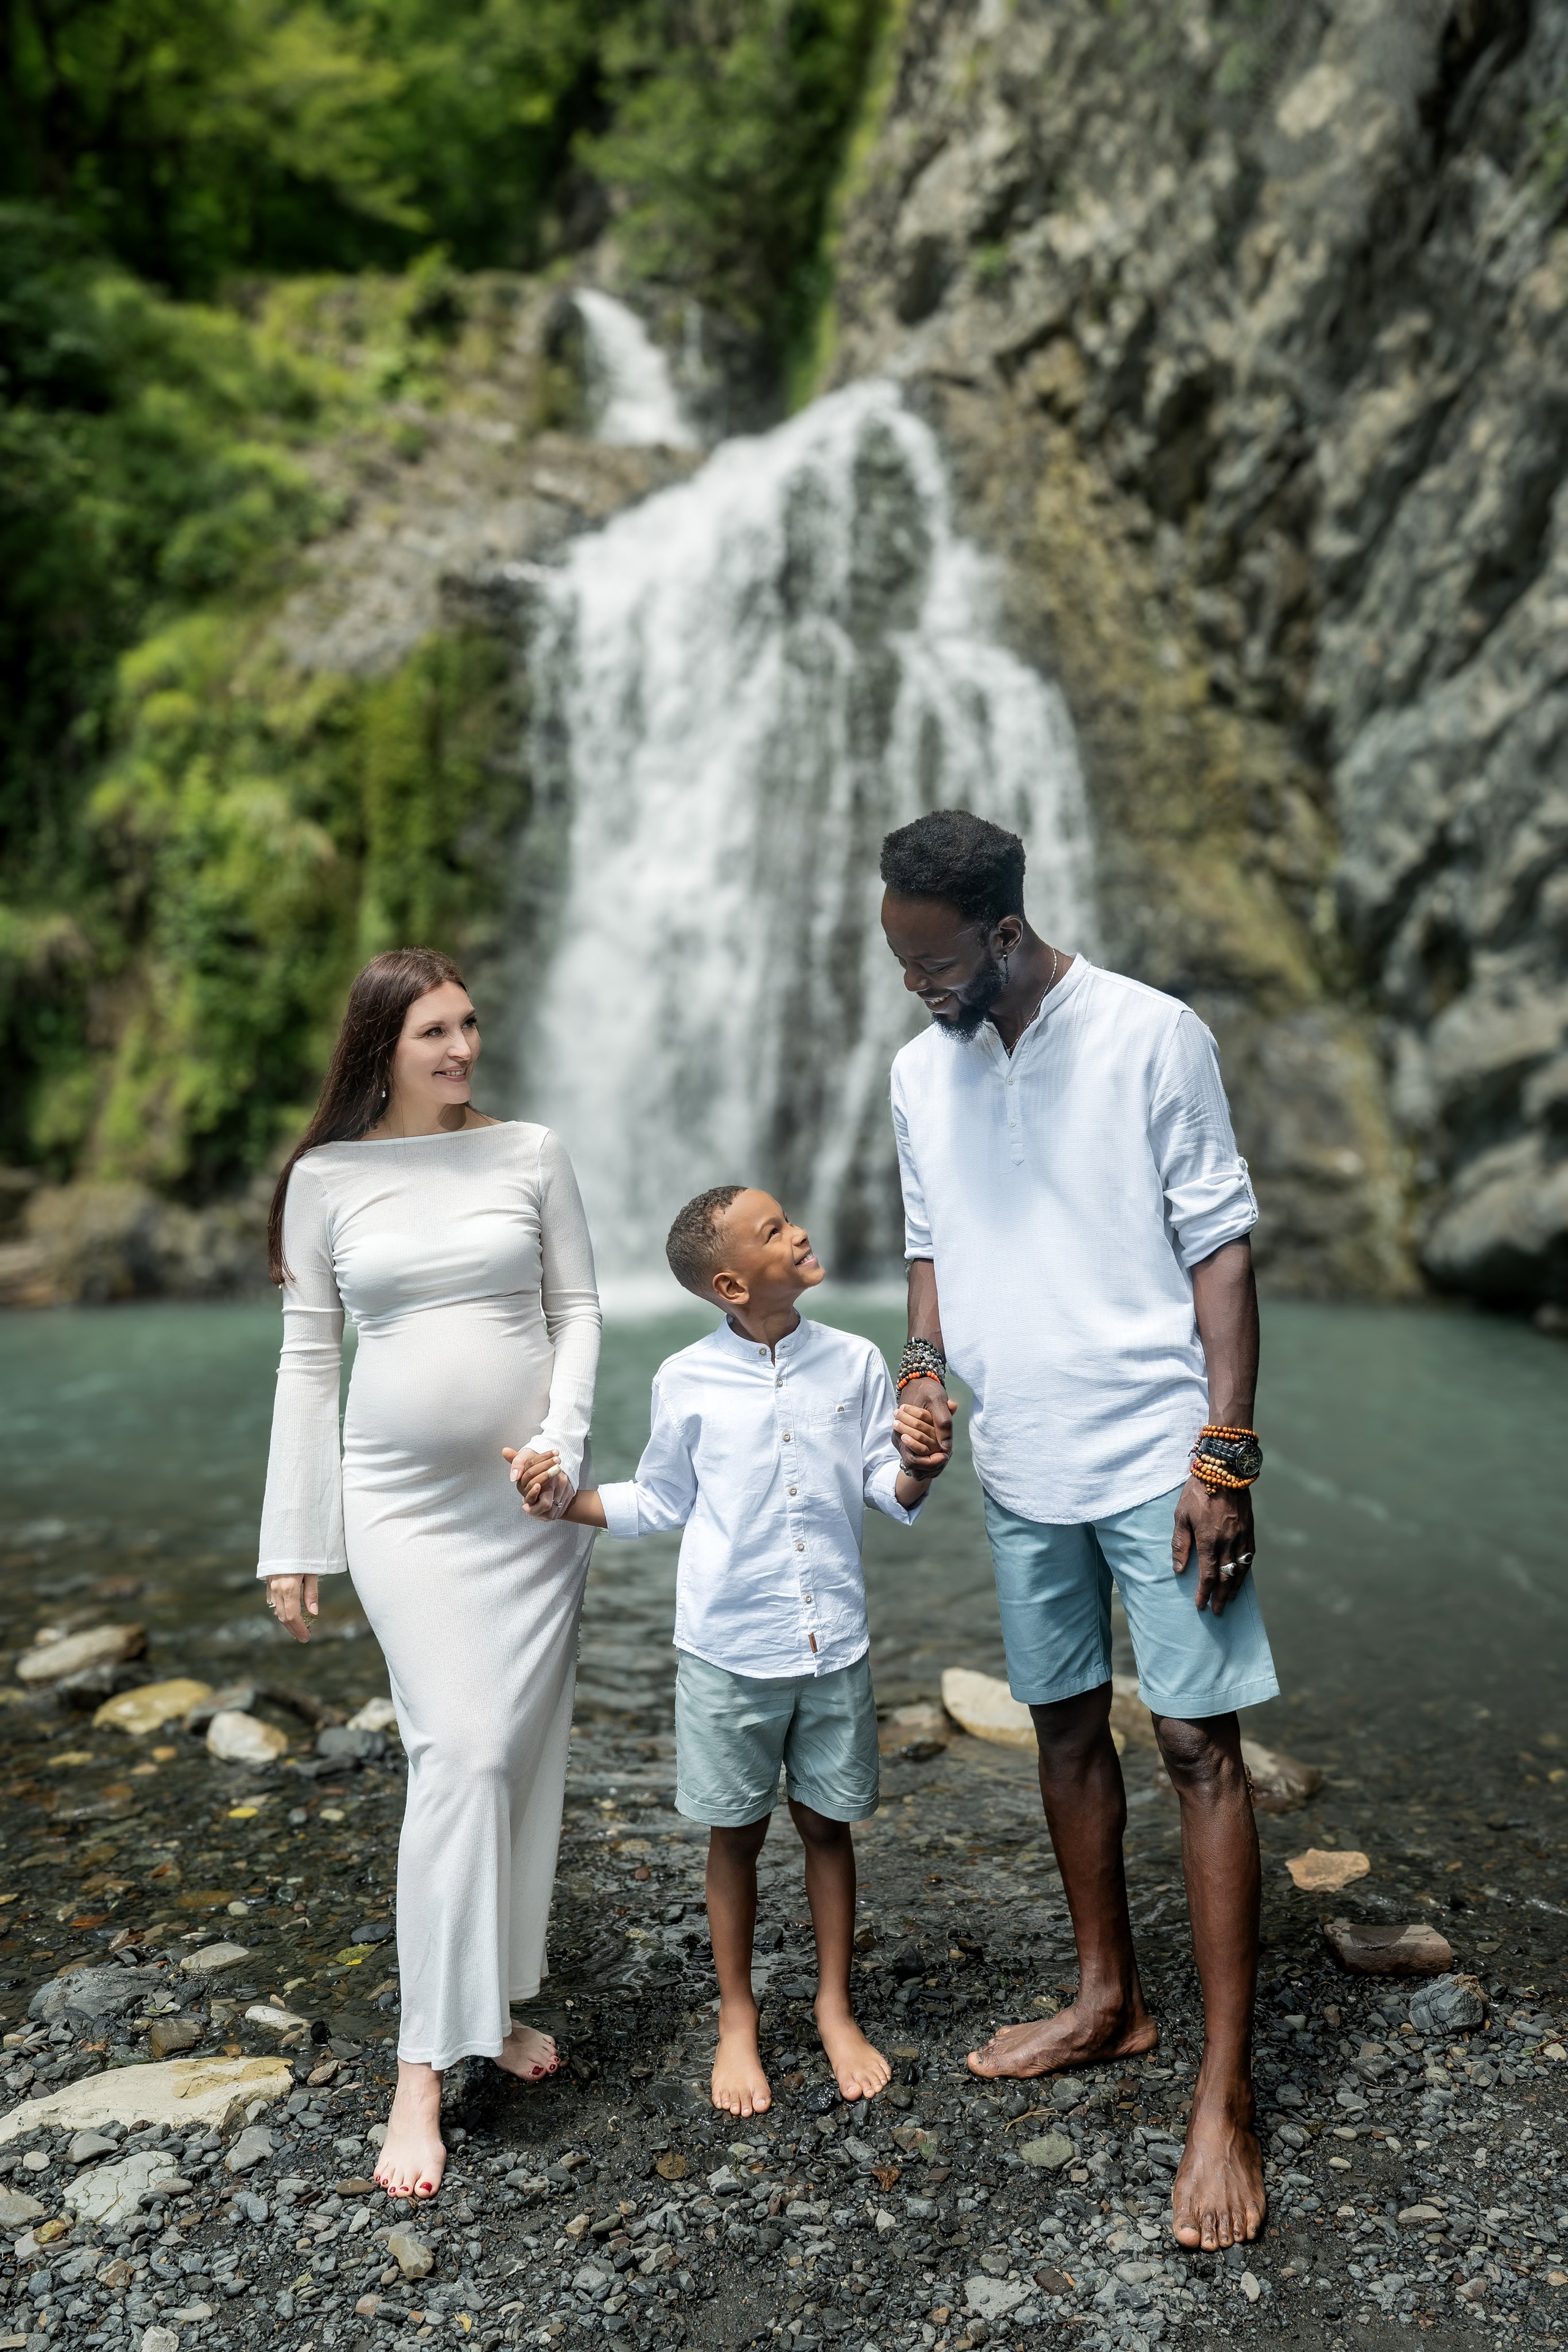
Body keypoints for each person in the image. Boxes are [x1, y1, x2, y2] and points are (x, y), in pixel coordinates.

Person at [879, 808, 1278, 2254]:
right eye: (896, 963)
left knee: (1194, 1747)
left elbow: (1218, 1244)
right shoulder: (919, 1072)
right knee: (1059, 1728)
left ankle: (1222, 2095)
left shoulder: (1151, 1034)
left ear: (1000, 934)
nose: (914, 990)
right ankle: (1108, 2000)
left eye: (931, 966)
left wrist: (1222, 1456)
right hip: (1022, 1458)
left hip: (1158, 1453)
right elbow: (930, 1247)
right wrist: (923, 1376)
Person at [257, 946, 600, 2201]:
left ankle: (493, 2010)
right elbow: (308, 1360)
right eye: (433, 1035)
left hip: (530, 1503)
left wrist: (562, 1440)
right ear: (379, 1049)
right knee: (456, 1749)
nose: (460, 1051)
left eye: (468, 1025)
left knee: (513, 1751)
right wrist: (295, 1538)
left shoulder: (532, 1152)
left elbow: (581, 1309)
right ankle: (418, 2070)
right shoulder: (327, 1179)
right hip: (401, 1504)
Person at [514, 1186, 943, 2119]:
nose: (799, 1233)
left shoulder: (859, 1360)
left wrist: (920, 1463)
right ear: (730, 1281)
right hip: (726, 1650)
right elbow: (661, 1500)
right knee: (735, 1837)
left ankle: (834, 2004)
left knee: (829, 1827)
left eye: (788, 1220)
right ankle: (738, 2017)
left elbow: (885, 1484)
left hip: (833, 1645)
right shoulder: (686, 1379)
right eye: (774, 1232)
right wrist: (565, 1503)